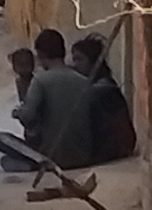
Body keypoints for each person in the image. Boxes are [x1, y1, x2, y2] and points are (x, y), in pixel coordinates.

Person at [19, 27, 101, 168]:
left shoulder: (40, 80)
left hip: (51, 156)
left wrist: (17, 112)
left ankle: (32, 165)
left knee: (3, 143)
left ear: (41, 54)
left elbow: (27, 116)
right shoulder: (84, 81)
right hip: (83, 157)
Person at [72, 30, 137, 163]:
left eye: (79, 59)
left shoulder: (103, 89)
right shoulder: (93, 85)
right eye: (74, 59)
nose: (75, 65)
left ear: (93, 61)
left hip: (117, 147)